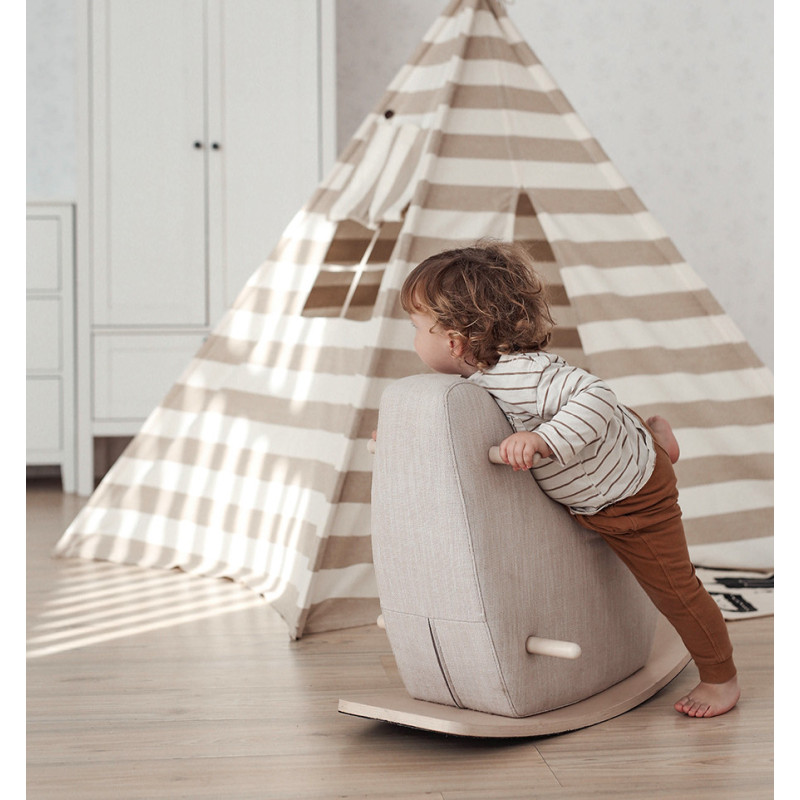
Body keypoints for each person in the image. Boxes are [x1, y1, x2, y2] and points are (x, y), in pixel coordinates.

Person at [397, 239, 740, 718]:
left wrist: (543, 440)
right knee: (621, 435)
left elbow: (597, 397)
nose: (413, 340)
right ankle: (654, 437)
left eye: (416, 328)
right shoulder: (475, 384)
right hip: (603, 474)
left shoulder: (524, 375)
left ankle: (721, 677)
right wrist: (403, 433)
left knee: (675, 590)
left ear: (453, 341)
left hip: (631, 498)